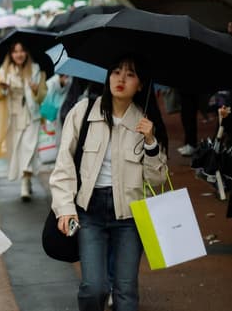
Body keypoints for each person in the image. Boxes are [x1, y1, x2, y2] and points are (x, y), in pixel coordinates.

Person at [50, 55, 168, 311]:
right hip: (89, 213)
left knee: (126, 291)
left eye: (130, 74)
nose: (121, 78)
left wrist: (150, 142)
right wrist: (65, 208)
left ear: (140, 84)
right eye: (116, 71)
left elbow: (157, 180)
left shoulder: (145, 122)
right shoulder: (83, 112)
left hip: (129, 217)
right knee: (94, 288)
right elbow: (64, 164)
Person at [0, 41, 48, 201]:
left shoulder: (36, 70)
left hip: (31, 116)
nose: (19, 55)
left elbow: (42, 96)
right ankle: (25, 179)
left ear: (27, 53)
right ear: (11, 54)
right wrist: (1, 88)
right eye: (15, 51)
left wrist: (36, 90)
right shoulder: (4, 72)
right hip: (12, 117)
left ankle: (25, 183)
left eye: (22, 51)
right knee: (17, 150)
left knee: (29, 149)